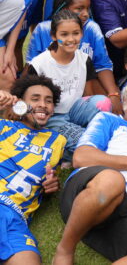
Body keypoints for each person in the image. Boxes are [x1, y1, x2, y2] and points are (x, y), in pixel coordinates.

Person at [53, 75, 127, 265]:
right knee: (113, 181)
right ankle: (65, 250)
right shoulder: (107, 120)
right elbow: (80, 157)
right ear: (125, 102)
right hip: (92, 192)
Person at [24, 10, 111, 161]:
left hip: (74, 111)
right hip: (51, 116)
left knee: (103, 102)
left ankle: (71, 142)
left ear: (81, 34)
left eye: (76, 33)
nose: (71, 39)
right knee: (84, 140)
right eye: (64, 34)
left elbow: (87, 96)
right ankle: (62, 150)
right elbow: (29, 102)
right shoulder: (39, 64)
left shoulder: (84, 60)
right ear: (54, 36)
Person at [26, 0, 122, 114]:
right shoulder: (43, 30)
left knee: (107, 105)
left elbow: (102, 64)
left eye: (88, 8)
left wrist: (113, 94)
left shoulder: (92, 28)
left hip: (85, 83)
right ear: (63, 9)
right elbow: (31, 68)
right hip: (49, 91)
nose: (86, 14)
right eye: (79, 9)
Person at [0, 75, 65, 265]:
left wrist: (52, 185)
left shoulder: (58, 142)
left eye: (49, 100)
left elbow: (49, 181)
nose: (43, 104)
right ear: (20, 103)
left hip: (16, 219)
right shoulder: (3, 127)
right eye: (35, 99)